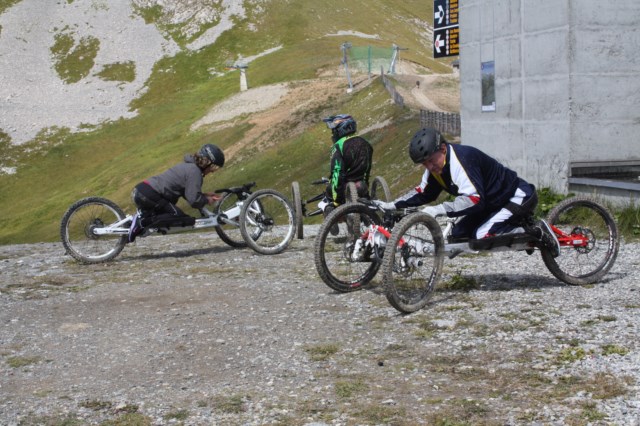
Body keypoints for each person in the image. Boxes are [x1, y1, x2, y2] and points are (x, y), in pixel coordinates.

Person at [374, 127, 560, 257]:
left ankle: (536, 231)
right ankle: (516, 229)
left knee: (481, 235)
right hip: (492, 204)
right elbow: (423, 193)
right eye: (424, 164)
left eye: (431, 160)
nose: (429, 167)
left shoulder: (461, 160)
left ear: (443, 149)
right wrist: (391, 205)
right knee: (458, 236)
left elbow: (474, 199)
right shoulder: (437, 168)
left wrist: (439, 209)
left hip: (516, 196)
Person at [127, 143, 225, 243]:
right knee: (179, 216)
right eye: (213, 167)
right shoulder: (195, 172)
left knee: (170, 215)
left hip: (142, 192)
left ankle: (134, 223)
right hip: (149, 194)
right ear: (207, 162)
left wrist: (203, 196)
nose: (212, 171)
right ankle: (141, 223)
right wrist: (207, 200)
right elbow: (194, 200)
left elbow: (188, 193)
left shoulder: (188, 166)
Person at [319, 114, 373, 215]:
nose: (333, 134)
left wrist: (337, 201)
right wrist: (366, 189)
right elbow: (367, 168)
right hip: (361, 187)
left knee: (328, 192)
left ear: (341, 129)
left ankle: (330, 212)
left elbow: (337, 174)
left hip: (344, 189)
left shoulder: (338, 146)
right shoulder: (366, 143)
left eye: (334, 130)